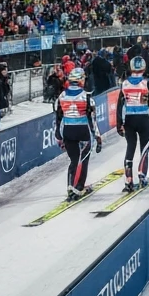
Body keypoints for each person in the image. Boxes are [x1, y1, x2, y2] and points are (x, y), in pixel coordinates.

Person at [54, 68, 102, 200]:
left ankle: (70, 187)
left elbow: (58, 119)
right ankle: (79, 188)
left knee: (74, 160)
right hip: (83, 131)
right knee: (83, 160)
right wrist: (98, 138)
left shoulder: (61, 96)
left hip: (68, 131)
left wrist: (58, 137)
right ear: (81, 81)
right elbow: (93, 121)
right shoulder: (87, 97)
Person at [115, 56, 149, 193]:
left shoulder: (124, 84)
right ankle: (142, 176)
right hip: (143, 119)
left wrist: (119, 124)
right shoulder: (147, 84)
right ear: (144, 68)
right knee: (144, 149)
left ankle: (128, 180)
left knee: (130, 148)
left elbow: (119, 106)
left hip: (129, 120)